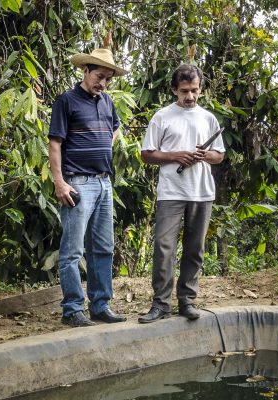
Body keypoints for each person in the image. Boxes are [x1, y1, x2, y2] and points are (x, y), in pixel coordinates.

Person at [138, 64, 225, 323]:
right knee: (164, 248)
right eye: (185, 91)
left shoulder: (208, 118)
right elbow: (146, 154)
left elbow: (219, 155)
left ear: (200, 89)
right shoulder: (162, 117)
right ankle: (161, 304)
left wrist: (204, 155)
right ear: (175, 89)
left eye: (195, 90)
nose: (190, 96)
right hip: (171, 192)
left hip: (201, 192)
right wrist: (176, 155)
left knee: (195, 248)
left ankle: (187, 300)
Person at [48, 48, 129, 327]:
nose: (103, 83)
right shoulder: (66, 101)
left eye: (108, 79)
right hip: (78, 183)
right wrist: (60, 182)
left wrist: (104, 142)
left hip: (104, 183)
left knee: (103, 248)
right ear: (85, 71)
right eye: (98, 76)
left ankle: (100, 305)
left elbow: (115, 127)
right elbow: (55, 143)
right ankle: (72, 310)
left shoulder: (107, 102)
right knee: (72, 251)